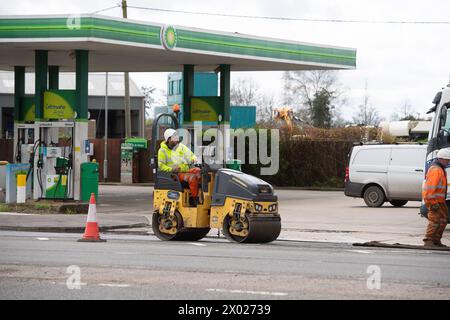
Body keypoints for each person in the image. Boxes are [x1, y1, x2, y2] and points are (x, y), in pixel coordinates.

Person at [158, 128, 201, 204]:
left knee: (199, 171)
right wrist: (171, 169)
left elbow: (190, 155)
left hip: (184, 171)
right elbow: (161, 166)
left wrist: (193, 159)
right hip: (173, 174)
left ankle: (199, 194)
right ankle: (194, 199)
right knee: (192, 177)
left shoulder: (181, 147)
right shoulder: (162, 151)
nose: (176, 139)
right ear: (168, 139)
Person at [422, 148, 450, 247]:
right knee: (435, 220)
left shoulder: (440, 169)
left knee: (443, 218)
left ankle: (436, 240)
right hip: (434, 201)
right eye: (447, 160)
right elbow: (429, 189)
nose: (448, 162)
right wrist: (432, 203)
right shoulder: (436, 170)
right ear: (441, 159)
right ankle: (428, 240)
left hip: (440, 200)